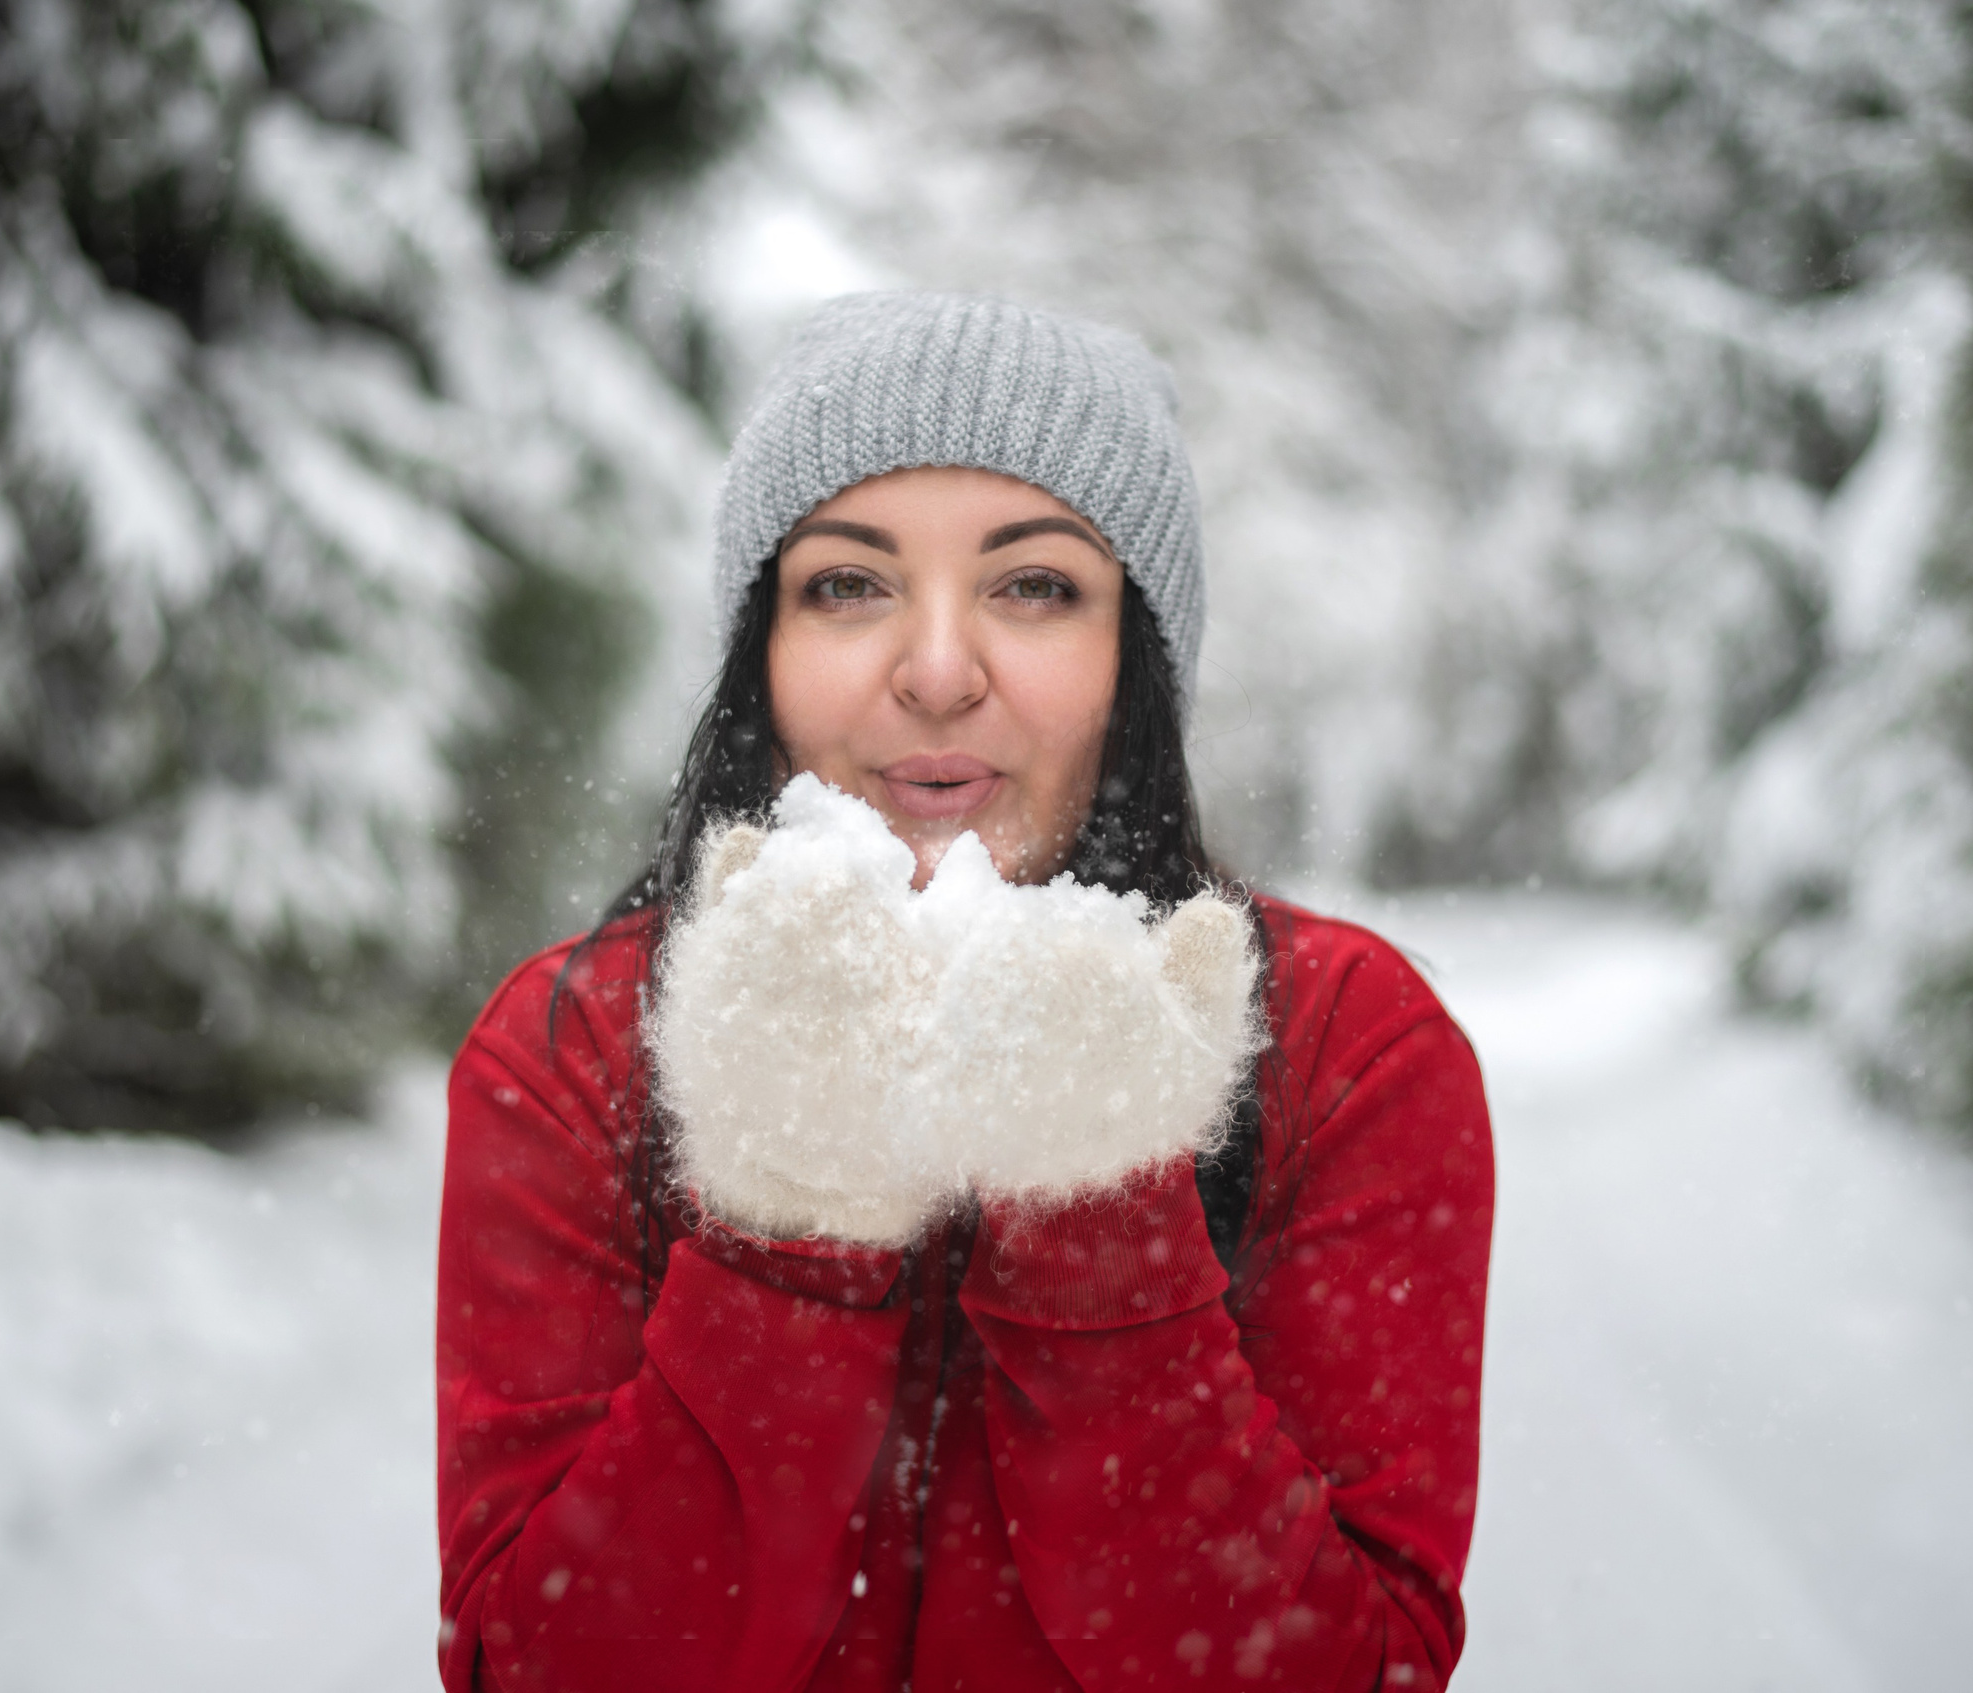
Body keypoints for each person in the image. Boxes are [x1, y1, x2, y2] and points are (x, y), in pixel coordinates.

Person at [435, 291, 1494, 1692]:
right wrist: (787, 1217)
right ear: (762, 648)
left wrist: (1100, 1205)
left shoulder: (1345, 1046)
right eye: (848, 585)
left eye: (1035, 586)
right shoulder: (576, 1045)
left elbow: (1348, 1673)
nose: (937, 673)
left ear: (1136, 656)